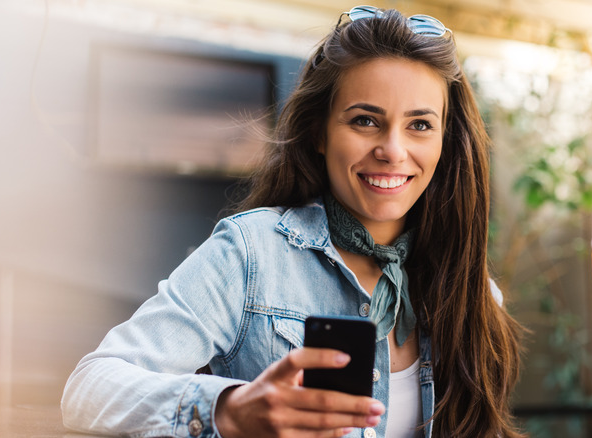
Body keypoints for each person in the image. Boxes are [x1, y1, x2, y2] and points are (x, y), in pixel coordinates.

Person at [61, 5, 524, 438]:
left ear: (446, 143)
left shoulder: (476, 293)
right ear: (320, 134)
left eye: (420, 125)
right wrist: (228, 409)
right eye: (365, 120)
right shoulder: (251, 252)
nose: (393, 150)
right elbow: (89, 388)